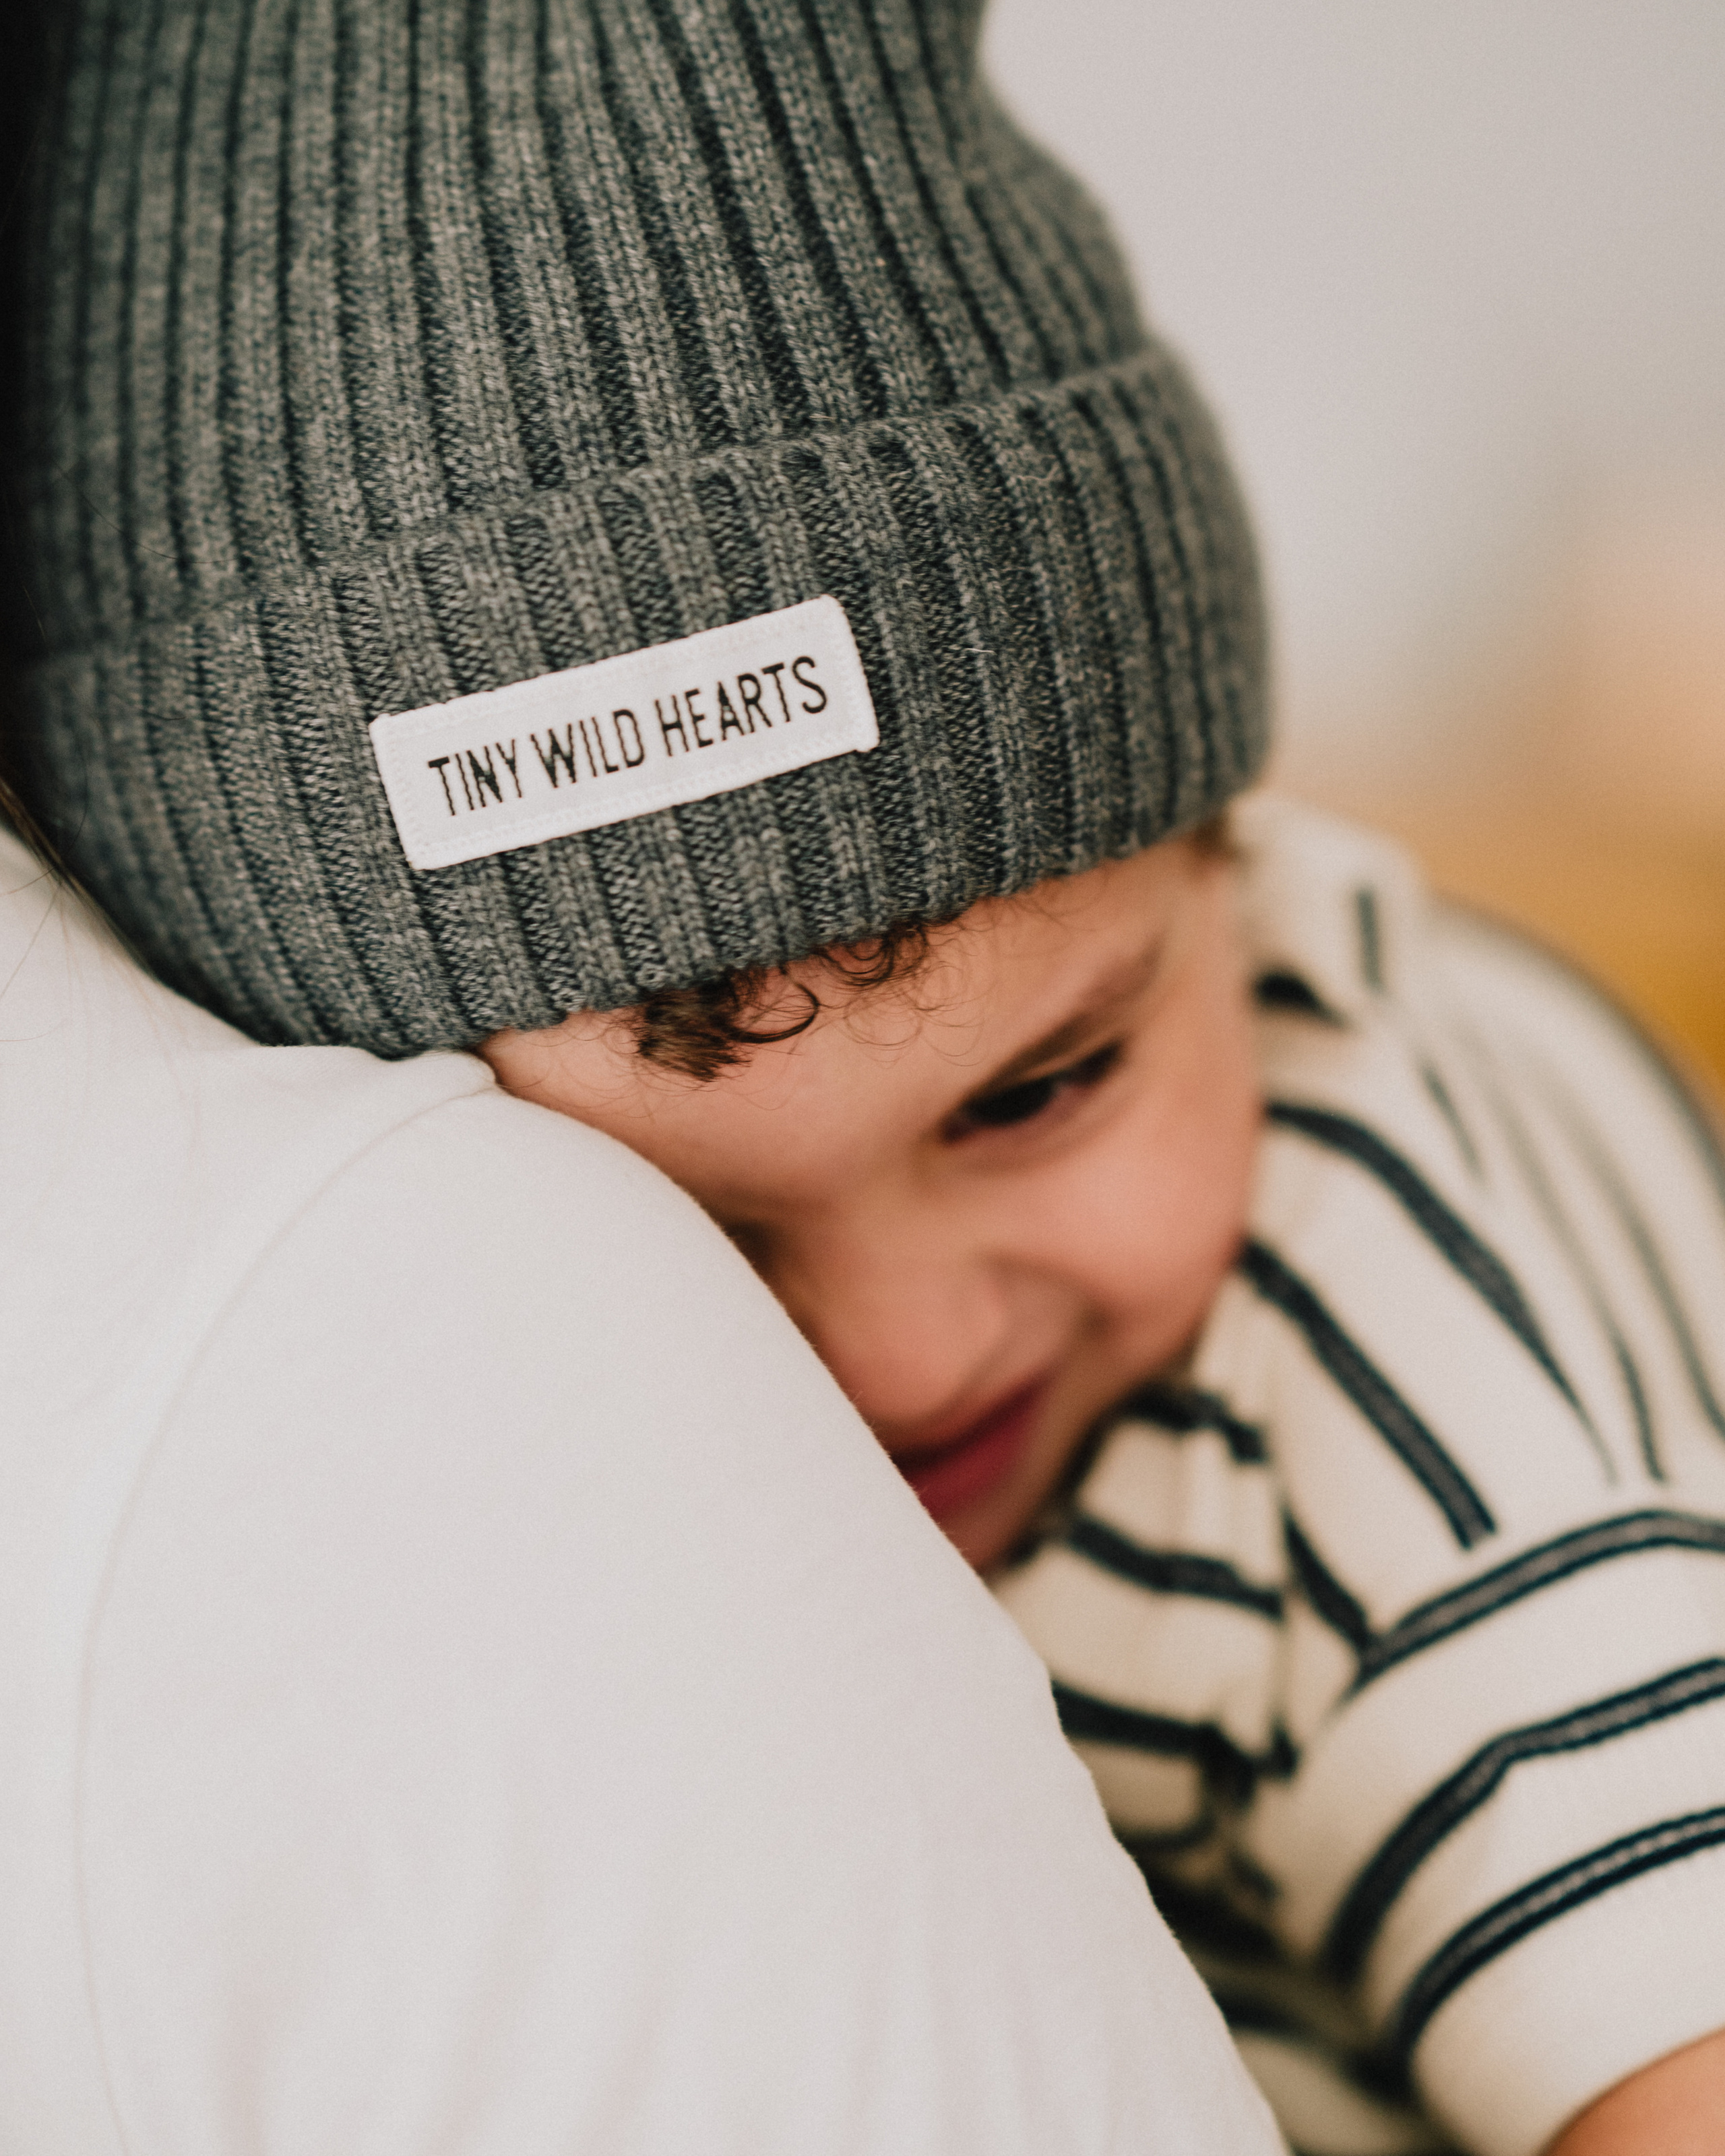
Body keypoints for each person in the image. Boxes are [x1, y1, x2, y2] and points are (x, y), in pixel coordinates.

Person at [4, 5, 1722, 2156]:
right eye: (684, 1234)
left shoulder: (1402, 1339)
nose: (913, 1354)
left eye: (1038, 1094)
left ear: (1234, 863)